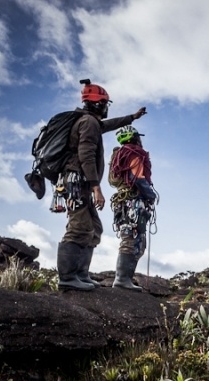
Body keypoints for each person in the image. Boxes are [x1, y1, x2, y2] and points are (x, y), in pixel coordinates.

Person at [56, 79, 147, 291]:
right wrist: (96, 186)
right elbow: (85, 154)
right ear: (98, 104)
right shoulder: (88, 123)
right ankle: (68, 277)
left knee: (94, 228)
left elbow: (109, 125)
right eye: (105, 103)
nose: (107, 107)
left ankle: (81, 274)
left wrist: (132, 117)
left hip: (81, 183)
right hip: (76, 181)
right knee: (79, 226)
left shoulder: (92, 123)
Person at [108, 125, 157, 291]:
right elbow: (137, 178)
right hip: (134, 202)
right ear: (136, 138)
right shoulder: (134, 153)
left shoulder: (118, 156)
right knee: (132, 240)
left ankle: (125, 279)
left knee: (132, 239)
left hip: (122, 203)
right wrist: (151, 195)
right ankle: (122, 279)